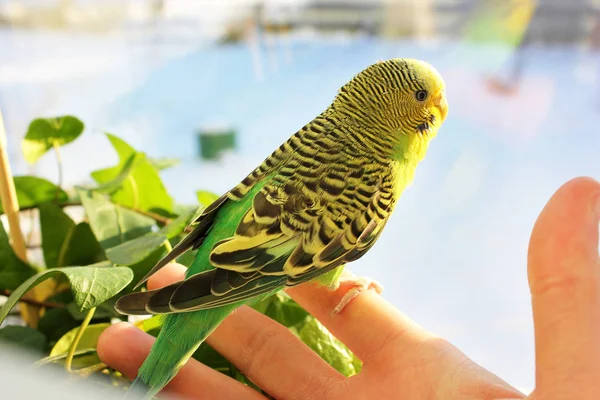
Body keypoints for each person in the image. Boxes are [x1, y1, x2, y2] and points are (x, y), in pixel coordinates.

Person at [98, 176, 600, 399]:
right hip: (247, 263)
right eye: (425, 99)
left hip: (229, 232)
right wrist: (340, 281)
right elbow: (307, 253)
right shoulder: (374, 185)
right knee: (157, 367)